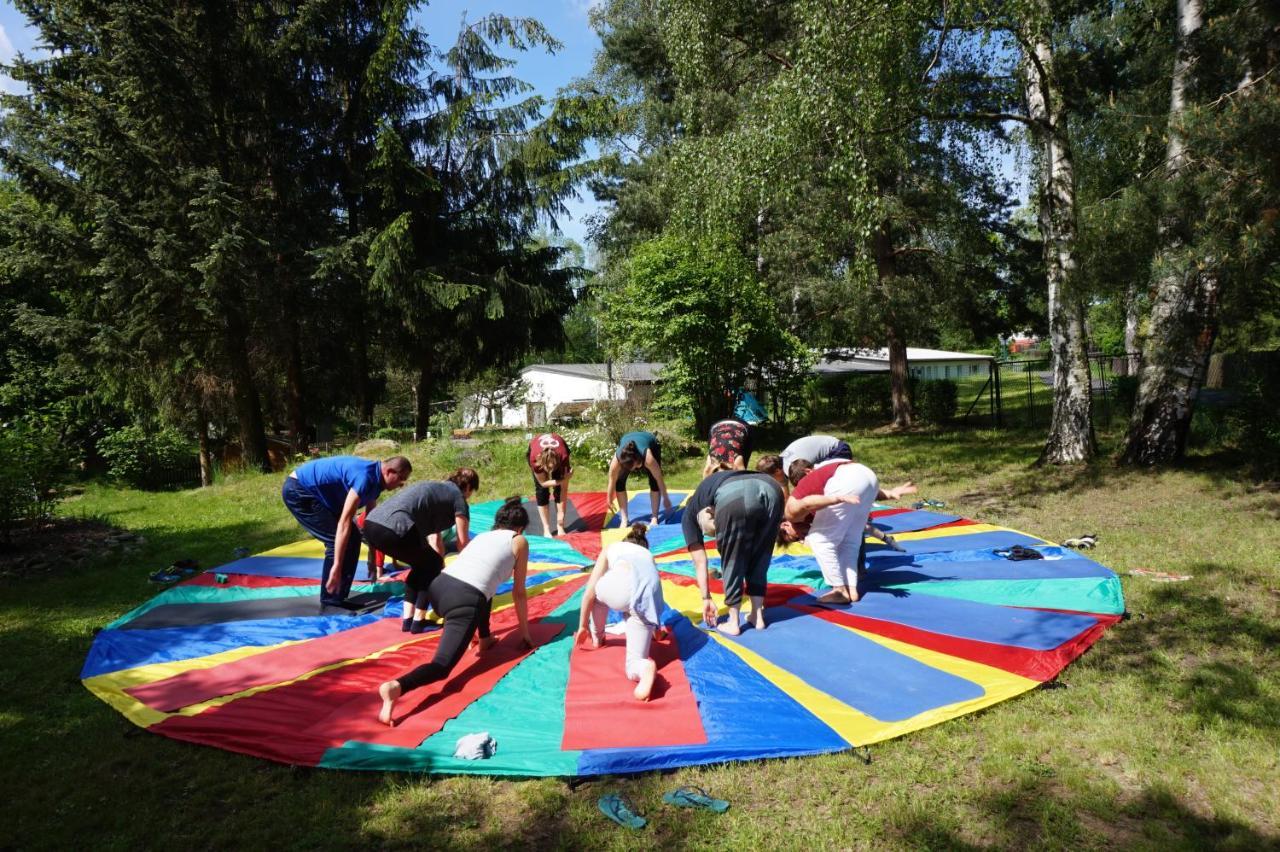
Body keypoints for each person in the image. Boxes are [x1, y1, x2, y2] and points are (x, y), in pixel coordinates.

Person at [376, 497, 537, 726]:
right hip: (463, 600)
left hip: (439, 588)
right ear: (520, 528)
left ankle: (484, 639)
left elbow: (485, 586)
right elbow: (519, 592)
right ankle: (396, 687)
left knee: (484, 592)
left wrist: (484, 635)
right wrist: (525, 633)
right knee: (442, 666)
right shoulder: (519, 541)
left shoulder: (482, 536)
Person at [281, 455, 412, 607]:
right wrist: (337, 566)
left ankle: (338, 595)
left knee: (353, 538)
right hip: (300, 491)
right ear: (389, 472)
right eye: (401, 479)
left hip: (320, 495)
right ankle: (331, 598)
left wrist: (372, 556)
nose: (401, 485)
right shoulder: (364, 478)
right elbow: (345, 522)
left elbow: (370, 523)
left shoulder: (377, 481)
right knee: (336, 539)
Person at [779, 460, 917, 604]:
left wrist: (836, 498)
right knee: (849, 541)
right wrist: (889, 493)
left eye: (794, 538)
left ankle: (839, 590)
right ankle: (852, 590)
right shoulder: (818, 489)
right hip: (867, 477)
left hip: (847, 482)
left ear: (785, 526)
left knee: (819, 540)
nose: (801, 538)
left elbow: (806, 502)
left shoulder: (790, 514)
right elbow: (859, 486)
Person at [361, 468, 479, 632]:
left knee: (422, 565)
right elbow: (462, 542)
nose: (469, 497)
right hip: (394, 527)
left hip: (370, 525)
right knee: (433, 564)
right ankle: (418, 621)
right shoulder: (458, 498)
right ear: (468, 488)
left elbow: (434, 538)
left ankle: (408, 620)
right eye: (471, 493)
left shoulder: (435, 489)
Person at [682, 470, 785, 635]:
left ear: (706, 512)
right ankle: (757, 616)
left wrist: (706, 598)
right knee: (761, 553)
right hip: (772, 488)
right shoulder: (710, 490)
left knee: (732, 555)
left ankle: (734, 621)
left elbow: (700, 562)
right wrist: (706, 598)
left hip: (735, 493)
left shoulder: (689, 517)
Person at [573, 523, 668, 701]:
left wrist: (583, 626)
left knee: (598, 597)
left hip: (619, 589)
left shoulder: (612, 547)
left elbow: (589, 594)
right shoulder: (648, 556)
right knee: (633, 663)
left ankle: (597, 638)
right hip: (646, 600)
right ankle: (643, 666)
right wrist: (657, 631)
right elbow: (652, 598)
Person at [606, 430, 672, 526]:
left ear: (637, 461)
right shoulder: (617, 460)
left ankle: (654, 517)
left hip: (651, 443)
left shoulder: (648, 458)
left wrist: (666, 498)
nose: (631, 471)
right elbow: (612, 480)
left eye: (632, 467)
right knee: (619, 483)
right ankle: (624, 520)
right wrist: (609, 498)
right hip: (627, 439)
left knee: (654, 483)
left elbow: (658, 479)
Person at [528, 433, 574, 536]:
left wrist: (561, 516)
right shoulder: (534, 460)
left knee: (558, 488)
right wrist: (563, 479)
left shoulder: (563, 457)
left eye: (553, 467)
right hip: (536, 448)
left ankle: (560, 526)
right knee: (541, 492)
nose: (550, 470)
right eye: (548, 468)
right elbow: (543, 483)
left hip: (560, 448)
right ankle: (546, 528)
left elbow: (563, 489)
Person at [779, 435, 853, 485]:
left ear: (777, 471)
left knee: (829, 483)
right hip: (831, 447)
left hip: (838, 450)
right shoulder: (783, 459)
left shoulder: (789, 468)